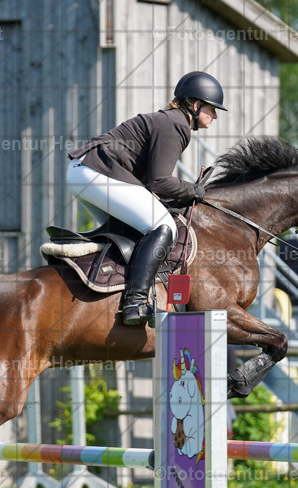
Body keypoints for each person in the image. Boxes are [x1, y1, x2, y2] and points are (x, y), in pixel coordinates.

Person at [67, 71, 225, 326]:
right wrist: (193, 190)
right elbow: (160, 182)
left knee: (134, 231)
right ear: (196, 105)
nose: (215, 116)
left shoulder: (169, 121)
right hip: (96, 173)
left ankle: (111, 292)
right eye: (212, 109)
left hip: (85, 173)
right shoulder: (176, 124)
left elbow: (152, 185)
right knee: (163, 227)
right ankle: (134, 302)